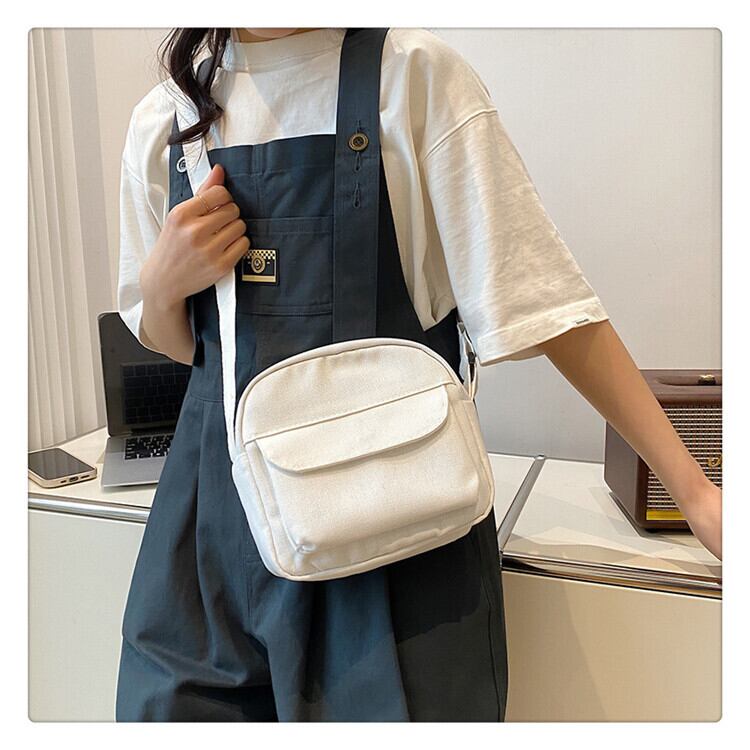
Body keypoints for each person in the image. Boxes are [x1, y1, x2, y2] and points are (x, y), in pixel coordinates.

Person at [115, 27, 722, 722]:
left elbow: (546, 306)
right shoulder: (162, 120)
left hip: (391, 533)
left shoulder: (415, 78)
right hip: (208, 537)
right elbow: (191, 350)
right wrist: (163, 287)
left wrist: (697, 495)